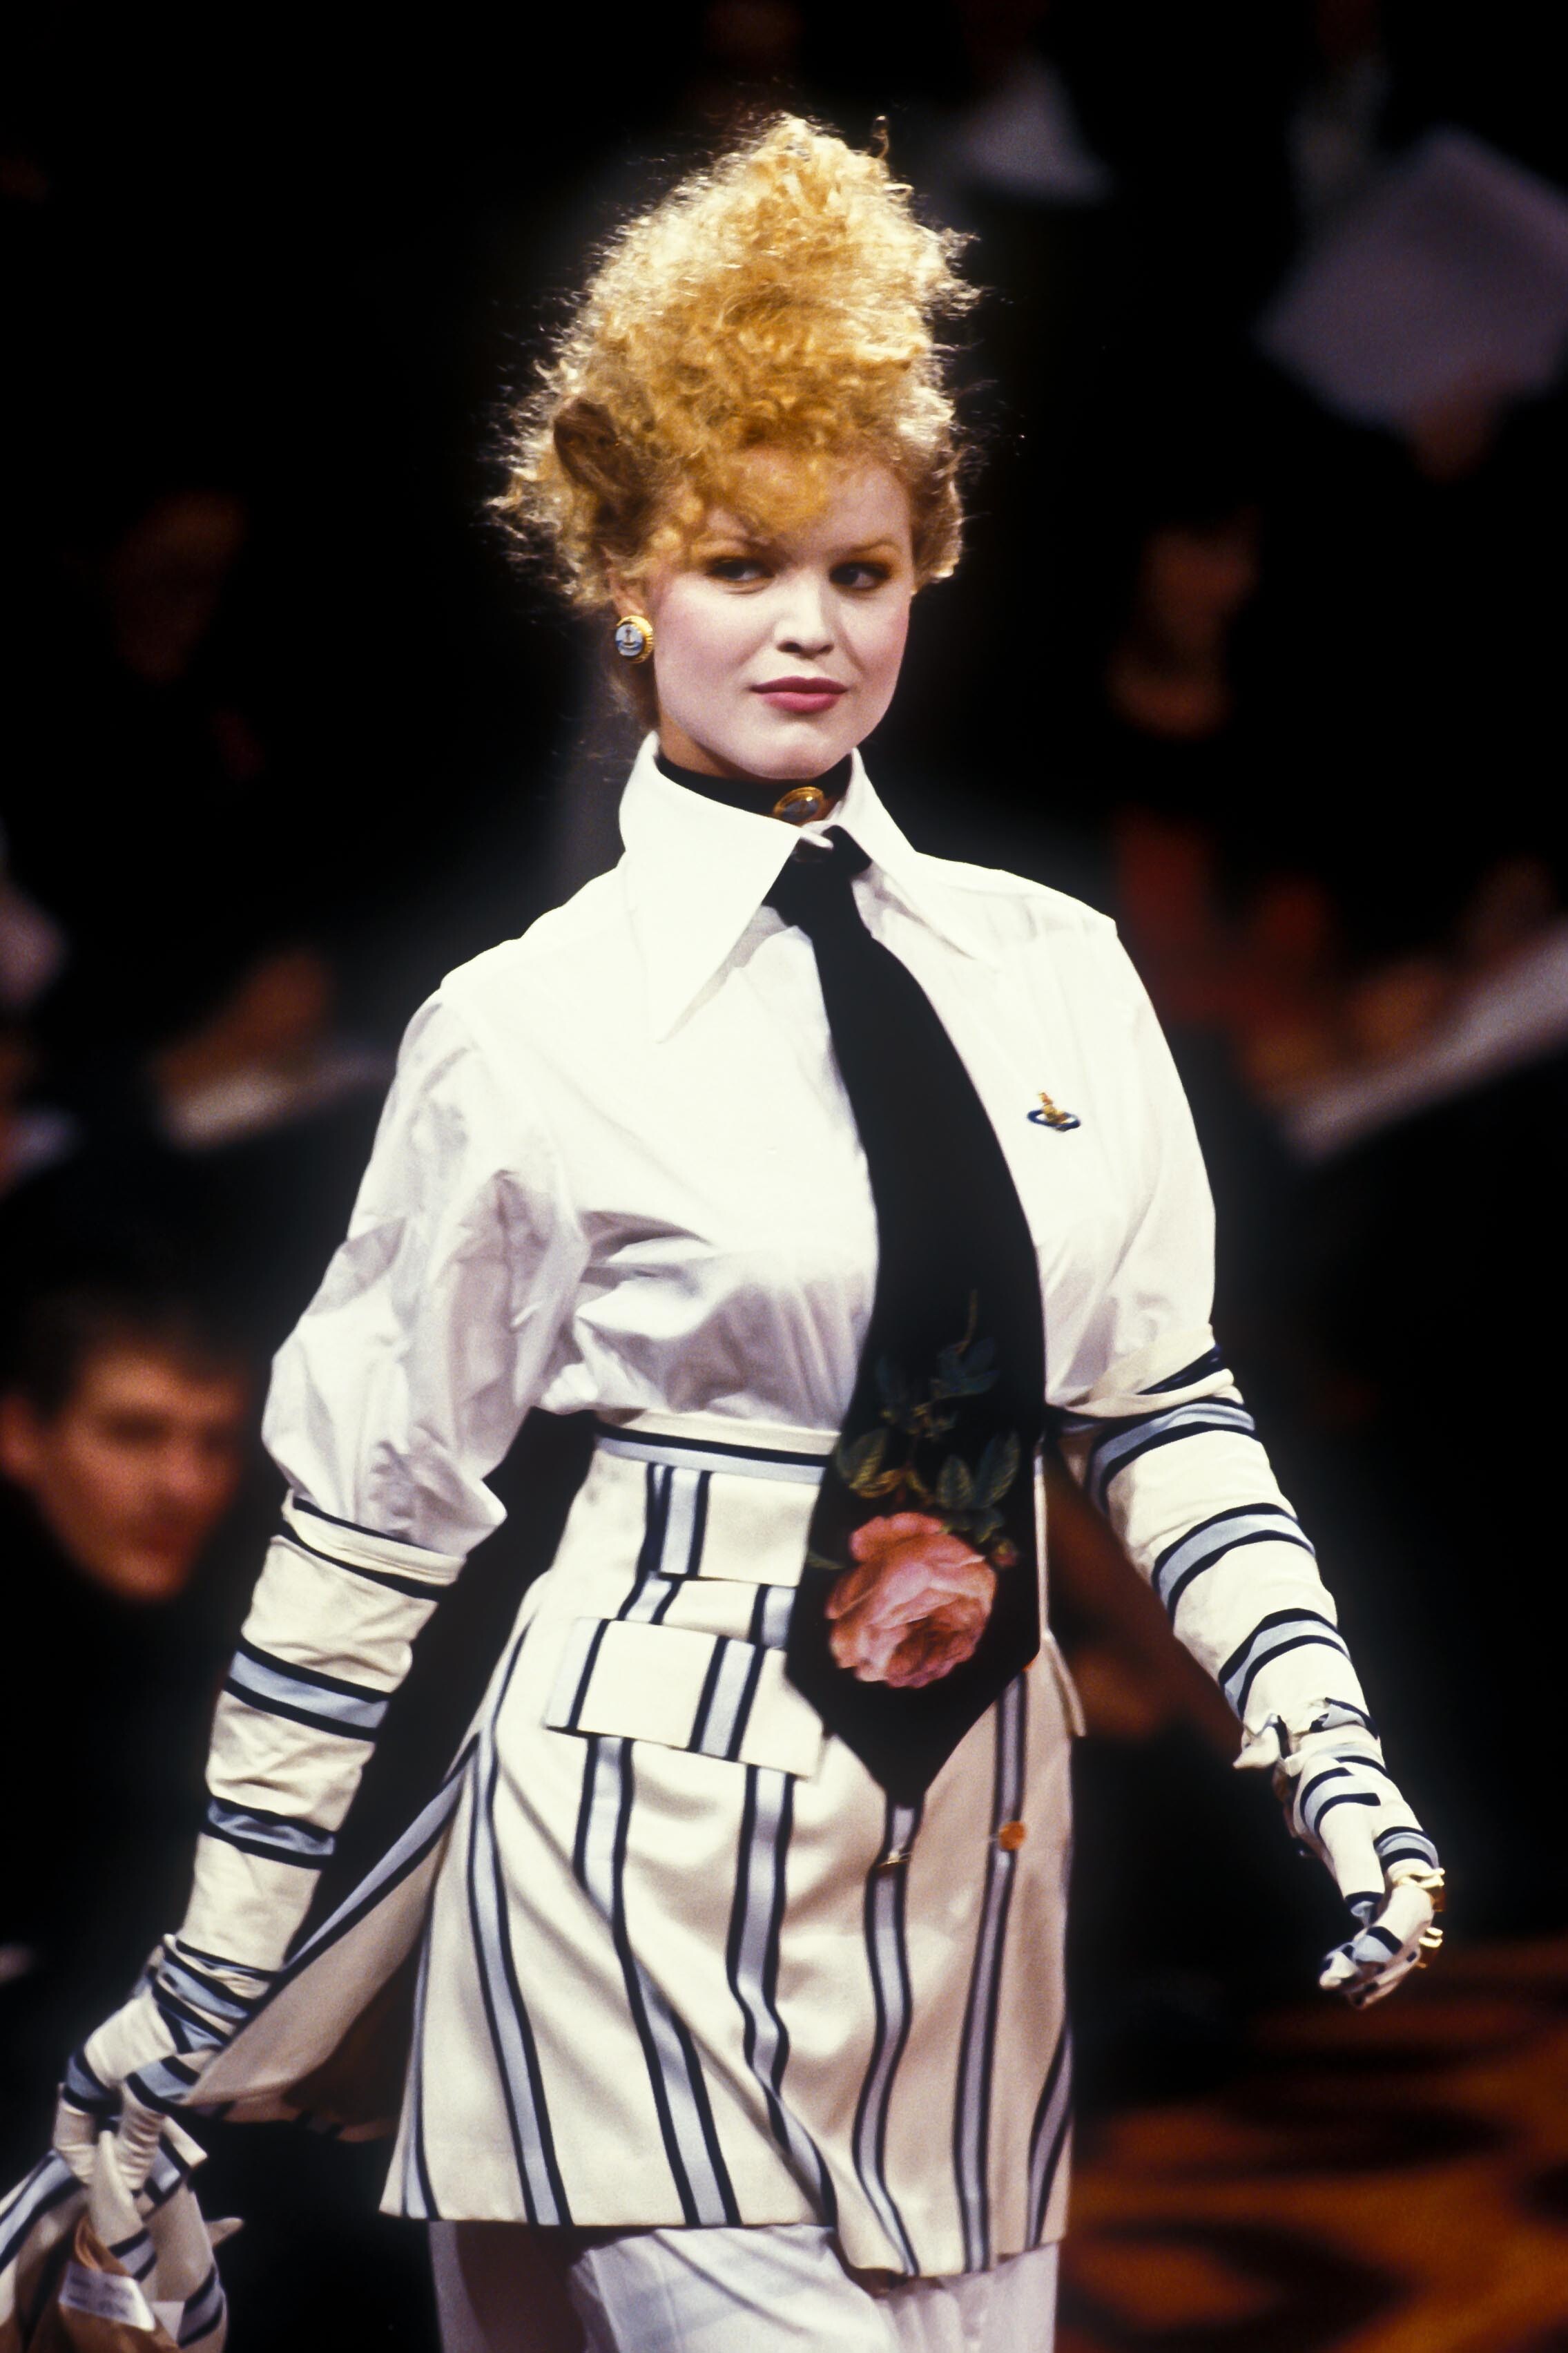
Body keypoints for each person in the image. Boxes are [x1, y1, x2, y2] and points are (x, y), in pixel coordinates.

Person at [44, 119, 1442, 2353]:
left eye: (860, 568)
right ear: (625, 577)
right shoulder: (525, 1025)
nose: (807, 624)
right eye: (738, 561)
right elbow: (368, 1526)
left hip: (976, 1871)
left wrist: (1326, 1741)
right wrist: (212, 1967)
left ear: (926, 573)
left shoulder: (1053, 968)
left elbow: (1154, 1395)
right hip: (621, 1858)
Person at [0, 1282, 251, 2168]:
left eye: (215, 1441)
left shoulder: (230, 1660)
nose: (183, 1483)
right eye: (135, 1432)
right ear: (20, 1433)